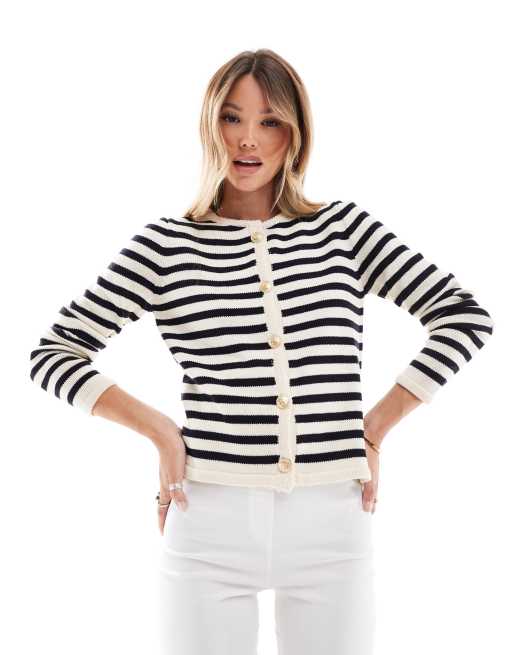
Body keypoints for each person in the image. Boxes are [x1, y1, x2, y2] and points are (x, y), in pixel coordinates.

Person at [28, 49, 494, 655]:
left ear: (295, 135)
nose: (248, 139)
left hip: (334, 524)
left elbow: (462, 315)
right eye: (232, 117)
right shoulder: (166, 246)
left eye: (270, 121)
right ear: (208, 125)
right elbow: (55, 352)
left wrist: (374, 428)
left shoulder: (343, 231)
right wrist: (162, 432)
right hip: (208, 520)